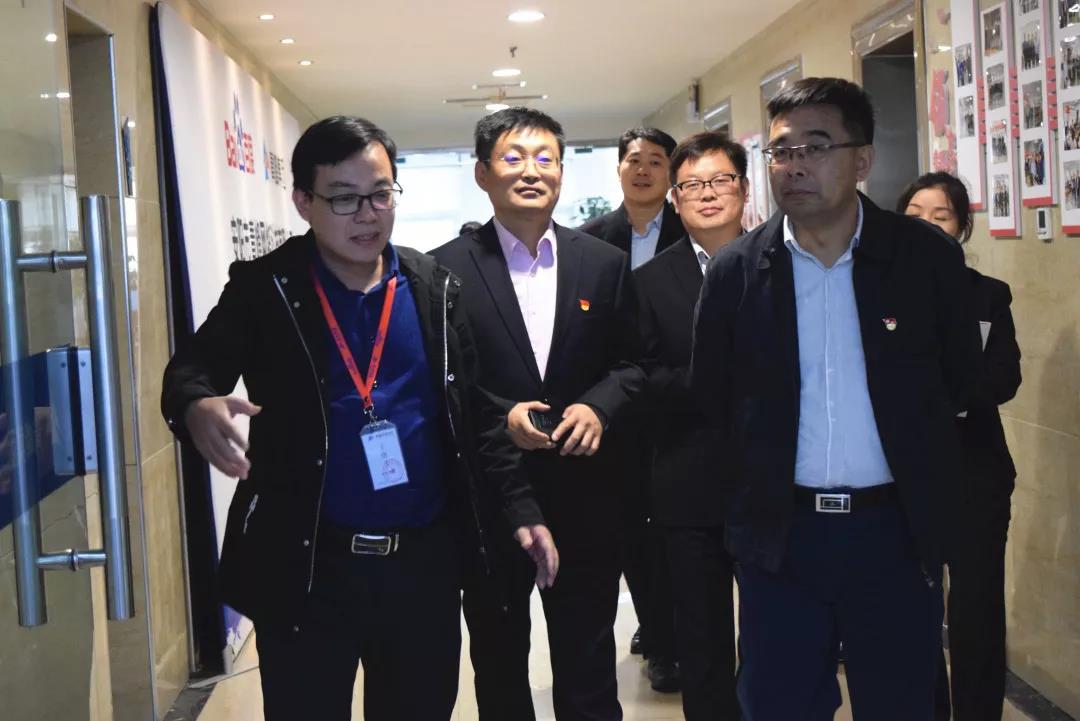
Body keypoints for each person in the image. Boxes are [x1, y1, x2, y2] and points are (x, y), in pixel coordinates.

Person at [160, 116, 557, 721]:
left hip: (421, 568)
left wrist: (521, 510)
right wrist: (196, 403)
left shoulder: (433, 288)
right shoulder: (267, 290)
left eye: (380, 194)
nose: (367, 215)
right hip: (309, 566)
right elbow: (192, 368)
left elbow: (474, 417)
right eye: (344, 199)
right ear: (304, 202)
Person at [691, 77, 982, 719]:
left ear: (863, 159)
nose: (793, 165)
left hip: (894, 534)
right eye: (780, 150)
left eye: (816, 147)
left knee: (902, 703)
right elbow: (712, 399)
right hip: (781, 538)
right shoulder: (738, 271)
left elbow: (961, 379)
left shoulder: (924, 260)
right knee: (779, 703)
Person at [432, 107, 645, 721]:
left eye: (546, 158)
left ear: (562, 172)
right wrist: (504, 418)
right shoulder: (442, 271)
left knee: (588, 661)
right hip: (491, 497)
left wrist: (598, 406)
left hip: (586, 494)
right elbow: (445, 384)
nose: (532, 171)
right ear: (482, 173)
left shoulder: (602, 263)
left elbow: (635, 364)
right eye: (513, 157)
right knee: (499, 661)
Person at [898, 172, 1022, 721]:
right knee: (913, 608)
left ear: (962, 227)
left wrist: (940, 397)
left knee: (976, 607)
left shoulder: (988, 295)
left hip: (976, 471)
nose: (927, 224)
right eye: (915, 214)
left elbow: (1004, 378)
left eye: (941, 215)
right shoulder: (874, 292)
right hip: (902, 476)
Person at [634, 130, 744, 720]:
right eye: (692, 185)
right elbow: (643, 376)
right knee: (702, 642)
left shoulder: (785, 261)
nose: (707, 193)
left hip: (775, 485)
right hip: (689, 487)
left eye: (720, 180)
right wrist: (717, 380)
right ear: (675, 200)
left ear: (743, 189)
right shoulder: (650, 281)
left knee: (778, 638)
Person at [578, 126, 685, 687]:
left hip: (682, 405)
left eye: (656, 161)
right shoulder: (590, 241)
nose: (643, 170)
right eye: (634, 160)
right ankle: (662, 638)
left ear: (671, 173)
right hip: (620, 413)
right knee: (635, 533)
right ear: (618, 169)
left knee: (679, 531)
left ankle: (681, 632)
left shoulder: (692, 232)